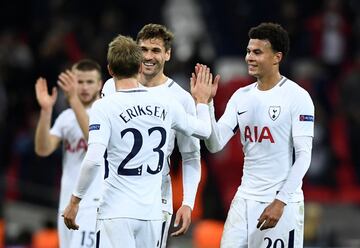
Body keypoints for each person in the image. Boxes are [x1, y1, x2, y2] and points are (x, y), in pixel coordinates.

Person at [62, 34, 215, 248]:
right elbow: (206, 130)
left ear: (110, 69)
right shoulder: (166, 104)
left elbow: (94, 158)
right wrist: (201, 102)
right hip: (152, 213)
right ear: (139, 67)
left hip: (116, 211)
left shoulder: (103, 106)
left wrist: (74, 201)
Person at [204, 23, 315, 247]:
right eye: (248, 51)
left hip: (281, 202)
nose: (249, 58)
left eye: (257, 52)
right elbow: (215, 144)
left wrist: (280, 201)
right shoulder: (240, 97)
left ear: (277, 57)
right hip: (244, 198)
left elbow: (303, 157)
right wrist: (205, 104)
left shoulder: (297, 97)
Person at [34, 59, 103, 248]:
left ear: (100, 84)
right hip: (66, 203)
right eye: (79, 82)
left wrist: (72, 100)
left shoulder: (104, 112)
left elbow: (93, 137)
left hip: (92, 203)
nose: (83, 87)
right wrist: (46, 110)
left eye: (89, 82)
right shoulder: (66, 117)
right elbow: (43, 149)